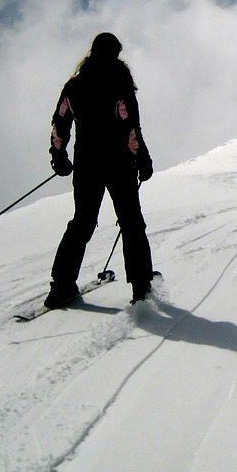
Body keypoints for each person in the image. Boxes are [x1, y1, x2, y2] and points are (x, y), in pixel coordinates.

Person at [46, 32, 156, 308]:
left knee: (82, 222)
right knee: (131, 221)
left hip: (87, 163)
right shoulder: (119, 84)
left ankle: (61, 286)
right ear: (116, 53)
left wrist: (58, 156)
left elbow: (61, 122)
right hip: (119, 163)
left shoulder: (75, 86)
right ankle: (141, 286)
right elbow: (130, 126)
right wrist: (142, 159)